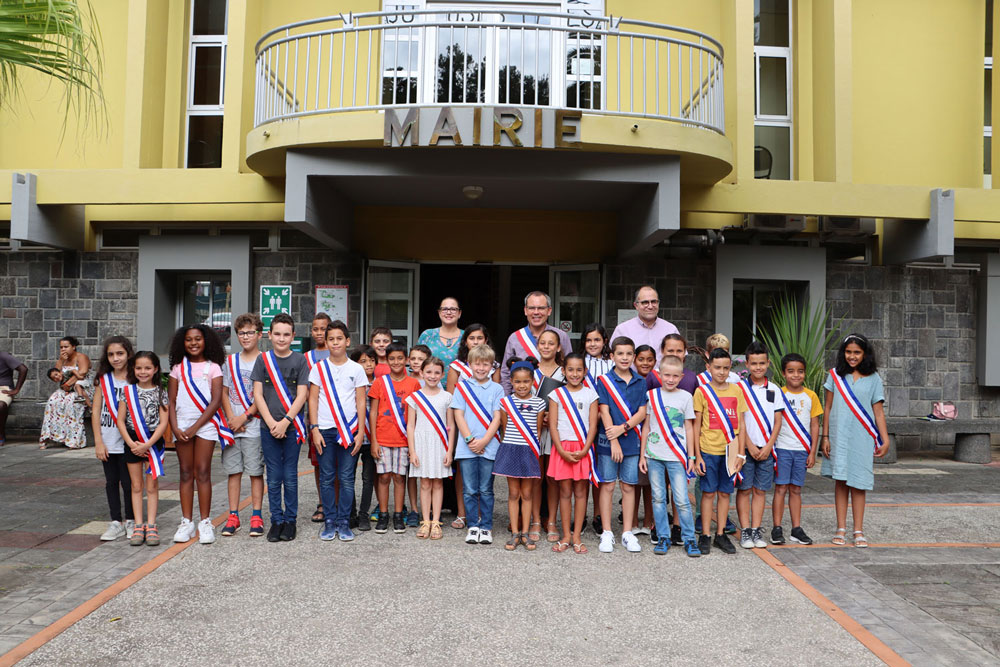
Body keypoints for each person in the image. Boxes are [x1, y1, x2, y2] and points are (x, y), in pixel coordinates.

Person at [822, 334, 890, 548]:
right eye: (848, 352)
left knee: (859, 482)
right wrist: (825, 437)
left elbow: (878, 412)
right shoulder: (835, 376)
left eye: (857, 352)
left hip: (862, 437)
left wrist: (885, 439)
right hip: (839, 435)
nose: (852, 356)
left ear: (865, 354)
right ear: (843, 353)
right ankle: (840, 527)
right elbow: (828, 407)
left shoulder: (874, 378)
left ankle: (858, 529)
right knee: (841, 481)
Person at [167, 324, 232, 545]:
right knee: (185, 472)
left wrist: (195, 427)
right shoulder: (178, 368)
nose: (193, 343)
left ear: (206, 341)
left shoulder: (214, 368)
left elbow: (215, 402)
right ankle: (186, 521)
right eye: (188, 340)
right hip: (182, 424)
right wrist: (175, 427)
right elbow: (172, 400)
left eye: (197, 339)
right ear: (182, 343)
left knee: (202, 471)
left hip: (205, 425)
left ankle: (205, 522)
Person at [252, 314, 309, 543]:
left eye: (286, 334)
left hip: (292, 427)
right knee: (273, 476)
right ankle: (276, 519)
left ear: (293, 336)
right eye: (277, 334)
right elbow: (257, 394)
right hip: (268, 427)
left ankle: (290, 520)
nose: (281, 338)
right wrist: (271, 422)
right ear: (269, 335)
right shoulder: (262, 360)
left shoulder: (300, 360)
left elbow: (302, 394)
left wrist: (286, 421)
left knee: (290, 475)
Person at [309, 320, 368, 543]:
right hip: (324, 430)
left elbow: (361, 401)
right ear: (327, 341)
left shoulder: (357, 369)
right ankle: (330, 520)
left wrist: (361, 431)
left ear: (347, 341)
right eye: (331, 339)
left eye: (339, 339)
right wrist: (314, 429)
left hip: (349, 431)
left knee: (345, 478)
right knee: (326, 478)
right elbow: (312, 399)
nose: (335, 343)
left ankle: (344, 521)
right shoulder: (319, 368)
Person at [640, 354, 701, 557]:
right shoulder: (652, 395)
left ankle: (689, 538)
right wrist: (642, 456)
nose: (670, 379)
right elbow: (646, 426)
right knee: (658, 497)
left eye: (675, 376)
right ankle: (663, 536)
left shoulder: (686, 397)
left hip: (677, 455)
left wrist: (691, 457)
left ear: (681, 376)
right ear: (659, 374)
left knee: (682, 499)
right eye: (666, 375)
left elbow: (690, 428)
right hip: (654, 455)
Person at [594, 336, 648, 553]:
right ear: (612, 356)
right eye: (620, 354)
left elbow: (642, 412)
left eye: (628, 354)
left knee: (628, 486)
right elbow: (603, 410)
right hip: (608, 442)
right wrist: (613, 439)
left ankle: (627, 532)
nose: (624, 358)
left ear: (634, 357)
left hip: (631, 440)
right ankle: (607, 532)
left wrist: (623, 428)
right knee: (607, 485)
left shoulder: (640, 381)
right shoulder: (604, 380)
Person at [444, 323, 500, 530]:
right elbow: (454, 407)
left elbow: (497, 413)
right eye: (471, 338)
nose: (481, 368)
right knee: (466, 482)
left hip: (488, 438)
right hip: (465, 433)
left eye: (480, 337)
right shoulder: (458, 371)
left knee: (486, 487)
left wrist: (484, 440)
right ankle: (466, 517)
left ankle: (484, 522)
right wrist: (468, 438)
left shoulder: (495, 377)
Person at [692, 348, 747, 555]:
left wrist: (741, 453)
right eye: (717, 368)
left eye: (726, 368)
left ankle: (721, 534)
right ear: (708, 368)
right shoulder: (701, 392)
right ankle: (705, 534)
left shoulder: (737, 390)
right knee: (707, 493)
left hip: (730, 452)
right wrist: (697, 456)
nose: (721, 372)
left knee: (725, 493)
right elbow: (696, 426)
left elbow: (741, 424)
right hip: (708, 450)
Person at [547, 353, 599, 554]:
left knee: (581, 493)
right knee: (565, 492)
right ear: (564, 371)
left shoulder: (591, 394)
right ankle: (566, 534)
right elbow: (552, 425)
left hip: (583, 448)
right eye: (570, 370)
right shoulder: (556, 395)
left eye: (579, 370)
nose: (575, 374)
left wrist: (586, 449)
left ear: (585, 372)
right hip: (562, 448)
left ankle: (577, 535)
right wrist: (560, 450)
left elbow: (593, 425)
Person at [735, 341, 784, 550]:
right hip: (745, 449)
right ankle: (745, 530)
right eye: (753, 363)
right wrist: (750, 446)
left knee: (760, 490)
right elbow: (739, 420)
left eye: (762, 363)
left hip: (767, 449)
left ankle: (756, 529)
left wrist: (768, 446)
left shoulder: (774, 389)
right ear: (747, 363)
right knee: (744, 490)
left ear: (768, 364)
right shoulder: (739, 388)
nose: (758, 367)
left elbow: (778, 420)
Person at [369, 342, 421, 534]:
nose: (396, 362)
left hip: (403, 439)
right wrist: (374, 440)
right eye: (392, 359)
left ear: (406, 360)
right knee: (383, 477)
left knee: (400, 477)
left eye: (400, 358)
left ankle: (398, 514)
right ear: (386, 360)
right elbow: (373, 413)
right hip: (382, 438)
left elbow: (416, 415)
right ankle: (383, 514)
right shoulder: (379, 382)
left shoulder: (413, 384)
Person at [494, 357, 546, 551]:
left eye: (526, 381)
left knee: (527, 493)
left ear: (532, 381)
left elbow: (538, 431)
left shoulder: (540, 403)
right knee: (513, 493)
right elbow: (505, 429)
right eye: (517, 381)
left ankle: (525, 533)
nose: (522, 385)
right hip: (511, 449)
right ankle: (515, 533)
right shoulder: (505, 402)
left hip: (529, 451)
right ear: (511, 382)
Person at [117, 351, 168, 547]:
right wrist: (131, 443)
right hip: (132, 441)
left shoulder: (161, 392)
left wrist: (148, 444)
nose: (143, 372)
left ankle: (152, 524)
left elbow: (164, 422)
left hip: (153, 441)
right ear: (133, 369)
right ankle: (138, 525)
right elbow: (120, 420)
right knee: (136, 486)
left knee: (152, 486)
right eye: (139, 368)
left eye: (147, 368)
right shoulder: (127, 391)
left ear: (155, 369)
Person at [220, 314, 264, 538]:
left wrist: (244, 418)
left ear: (259, 334)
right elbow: (224, 392)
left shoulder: (265, 360)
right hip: (232, 427)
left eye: (250, 332)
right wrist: (231, 419)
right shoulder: (230, 361)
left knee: (255, 472)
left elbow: (262, 396)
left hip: (253, 425)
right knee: (233, 471)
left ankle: (256, 515)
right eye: (241, 333)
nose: (246, 337)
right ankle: (233, 515)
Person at [772, 353, 822, 546]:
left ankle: (796, 528)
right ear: (784, 373)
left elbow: (815, 425)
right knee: (781, 488)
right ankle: (777, 528)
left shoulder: (811, 396)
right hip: (783, 449)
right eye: (791, 371)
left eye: (800, 371)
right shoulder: (778, 394)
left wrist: (812, 452)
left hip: (802, 450)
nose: (796, 375)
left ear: (805, 373)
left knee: (796, 489)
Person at [405, 357, 454, 540]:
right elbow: (410, 425)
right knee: (424, 483)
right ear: (421, 373)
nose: (432, 376)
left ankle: (436, 522)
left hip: (440, 444)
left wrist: (449, 450)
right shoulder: (415, 397)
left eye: (436, 373)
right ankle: (425, 521)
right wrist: (412, 450)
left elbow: (451, 426)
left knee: (438, 482)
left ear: (442, 375)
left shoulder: (447, 397)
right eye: (429, 372)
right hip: (421, 444)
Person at [92, 336, 135, 542]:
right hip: (108, 438)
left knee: (129, 482)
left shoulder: (135, 377)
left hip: (129, 439)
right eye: (111, 354)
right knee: (111, 482)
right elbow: (96, 411)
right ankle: (116, 521)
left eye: (120, 353)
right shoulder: (104, 379)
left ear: (128, 354)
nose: (116, 358)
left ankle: (131, 520)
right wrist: (98, 441)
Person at [500, 291, 572, 394]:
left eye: (541, 308)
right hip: (522, 401)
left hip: (556, 400)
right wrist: (507, 401)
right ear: (525, 310)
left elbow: (570, 367)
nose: (536, 312)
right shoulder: (515, 338)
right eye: (532, 308)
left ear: (549, 310)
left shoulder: (561, 336)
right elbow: (506, 373)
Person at [533, 329, 566, 544]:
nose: (546, 346)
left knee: (553, 478)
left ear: (558, 347)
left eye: (550, 343)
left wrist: (551, 418)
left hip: (556, 431)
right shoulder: (530, 371)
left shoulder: (565, 372)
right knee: (536, 477)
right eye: (542, 343)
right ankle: (535, 520)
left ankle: (552, 520)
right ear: (537, 346)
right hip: (533, 431)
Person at [580, 323, 612, 534]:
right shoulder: (577, 362)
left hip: (604, 423)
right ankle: (580, 515)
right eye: (589, 340)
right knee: (582, 470)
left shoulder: (611, 364)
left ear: (604, 341)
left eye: (597, 340)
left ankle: (598, 515)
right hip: (580, 421)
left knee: (599, 471)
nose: (593, 344)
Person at [39, 336, 91, 449]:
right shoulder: (63, 359)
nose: (63, 349)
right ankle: (51, 436)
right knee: (52, 401)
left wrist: (68, 384)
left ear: (73, 346)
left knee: (70, 403)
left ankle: (74, 440)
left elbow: (82, 373)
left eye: (66, 347)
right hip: (65, 388)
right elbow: (56, 373)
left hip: (82, 387)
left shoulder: (81, 357)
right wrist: (61, 360)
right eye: (61, 347)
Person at [305, 312, 332, 524]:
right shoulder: (306, 358)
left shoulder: (340, 354)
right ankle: (322, 502)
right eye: (316, 329)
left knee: (338, 463)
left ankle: (339, 502)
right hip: (315, 419)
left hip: (338, 419)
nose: (320, 332)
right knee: (318, 463)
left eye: (324, 328)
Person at [610, 286, 680, 363]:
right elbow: (613, 360)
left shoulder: (670, 329)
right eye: (645, 302)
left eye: (654, 302)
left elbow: (680, 358)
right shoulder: (623, 330)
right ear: (636, 305)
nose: (650, 306)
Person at [350, 345, 378, 531]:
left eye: (372, 360)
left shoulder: (381, 382)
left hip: (373, 438)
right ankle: (350, 513)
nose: (368, 364)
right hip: (353, 436)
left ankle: (364, 514)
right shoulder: (350, 382)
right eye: (363, 361)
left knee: (368, 478)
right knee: (348, 477)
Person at [404, 343, 431, 526]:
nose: (416, 362)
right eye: (413, 358)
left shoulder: (431, 379)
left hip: (428, 433)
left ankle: (427, 508)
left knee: (429, 473)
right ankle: (414, 508)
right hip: (408, 430)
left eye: (420, 359)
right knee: (411, 473)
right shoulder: (404, 378)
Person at [631, 344, 657, 536]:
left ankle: (649, 520)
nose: (645, 363)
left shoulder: (658, 380)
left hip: (654, 434)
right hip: (633, 432)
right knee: (633, 480)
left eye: (649, 359)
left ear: (655, 361)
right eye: (641, 359)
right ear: (634, 360)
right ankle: (632, 520)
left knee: (650, 481)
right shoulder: (631, 380)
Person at [417, 297, 464, 373]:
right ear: (439, 313)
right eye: (444, 309)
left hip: (462, 384)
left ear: (459, 313)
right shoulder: (427, 335)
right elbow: (416, 362)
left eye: (453, 309)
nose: (448, 312)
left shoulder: (467, 336)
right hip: (430, 383)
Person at [0, 349, 28, 447]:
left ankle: (1, 433)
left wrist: (16, 390)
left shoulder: (4, 356)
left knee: (1, 405)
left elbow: (23, 369)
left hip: (3, 388)